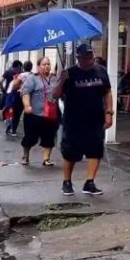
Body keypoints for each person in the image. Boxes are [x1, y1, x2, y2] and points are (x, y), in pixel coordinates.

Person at [52, 43, 114, 196]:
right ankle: (67, 182)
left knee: (95, 150)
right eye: (85, 57)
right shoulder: (70, 73)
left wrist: (109, 113)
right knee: (70, 152)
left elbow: (107, 92)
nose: (88, 59)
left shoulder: (101, 71)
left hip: (95, 119)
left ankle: (90, 182)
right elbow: (55, 95)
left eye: (90, 56)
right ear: (78, 58)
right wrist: (62, 80)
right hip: (74, 120)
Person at [20, 57, 59, 167]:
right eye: (44, 64)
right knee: (30, 138)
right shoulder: (33, 78)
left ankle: (46, 158)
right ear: (38, 66)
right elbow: (25, 92)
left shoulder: (54, 79)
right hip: (35, 114)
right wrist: (27, 105)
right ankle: (25, 156)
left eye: (48, 64)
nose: (47, 66)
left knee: (49, 136)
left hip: (51, 113)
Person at [1, 60, 24, 135]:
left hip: (8, 95)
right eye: (21, 67)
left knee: (9, 110)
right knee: (17, 113)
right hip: (18, 96)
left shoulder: (7, 72)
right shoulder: (21, 74)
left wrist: (3, 90)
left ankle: (8, 124)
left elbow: (0, 81)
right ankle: (13, 129)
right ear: (19, 66)